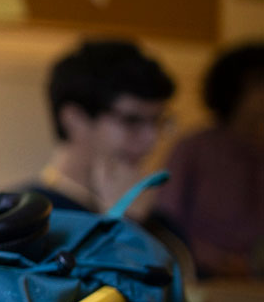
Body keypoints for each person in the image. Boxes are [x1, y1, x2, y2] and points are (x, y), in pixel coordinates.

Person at [22, 39, 175, 221]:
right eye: (132, 120)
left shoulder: (163, 226)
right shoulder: (26, 218)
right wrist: (125, 222)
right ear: (75, 120)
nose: (152, 138)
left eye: (158, 121)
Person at [157, 42, 264, 279]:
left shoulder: (258, 152)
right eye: (258, 85)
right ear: (236, 89)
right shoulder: (194, 149)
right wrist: (217, 260)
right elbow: (166, 223)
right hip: (200, 276)